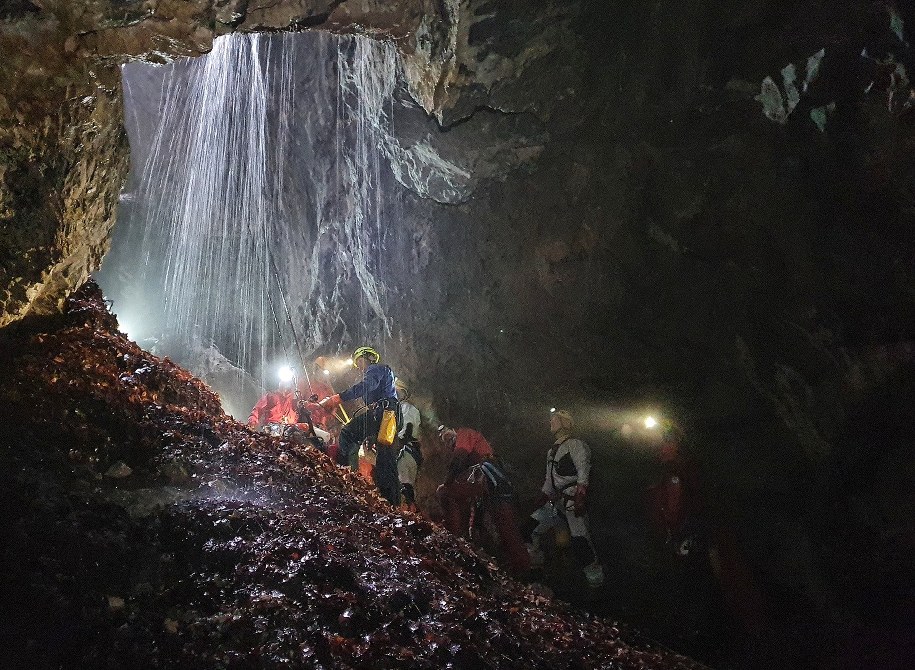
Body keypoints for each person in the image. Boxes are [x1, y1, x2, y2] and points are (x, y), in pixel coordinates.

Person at [523, 408, 604, 588]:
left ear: (564, 423)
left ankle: (596, 583)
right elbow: (549, 481)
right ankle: (535, 569)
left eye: (555, 419)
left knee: (580, 541)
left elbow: (583, 470)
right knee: (529, 528)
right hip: (556, 502)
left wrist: (580, 497)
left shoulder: (576, 445)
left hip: (571, 500)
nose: (551, 422)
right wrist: (541, 498)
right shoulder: (552, 451)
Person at [437, 425, 530, 575]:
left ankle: (453, 536)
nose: (443, 436)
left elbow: (458, 459)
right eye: (441, 437)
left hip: (491, 480)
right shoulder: (464, 454)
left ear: (453, 429)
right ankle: (509, 567)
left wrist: (447, 482)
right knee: (490, 528)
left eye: (445, 432)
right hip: (490, 488)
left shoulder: (464, 434)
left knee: (444, 492)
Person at [320, 346, 400, 504]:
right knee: (385, 459)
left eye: (359, 362)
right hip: (387, 416)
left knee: (348, 434)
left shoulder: (376, 369)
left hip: (385, 415)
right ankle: (391, 501)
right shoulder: (383, 374)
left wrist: (337, 398)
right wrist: (371, 435)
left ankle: (348, 477)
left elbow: (365, 387)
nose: (359, 367)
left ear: (366, 358)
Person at [395, 379, 423, 511]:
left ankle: (410, 514)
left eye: (397, 392)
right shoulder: (398, 409)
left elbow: (407, 429)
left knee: (405, 485)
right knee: (402, 485)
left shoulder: (407, 408)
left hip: (406, 452)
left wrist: (397, 445)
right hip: (404, 451)